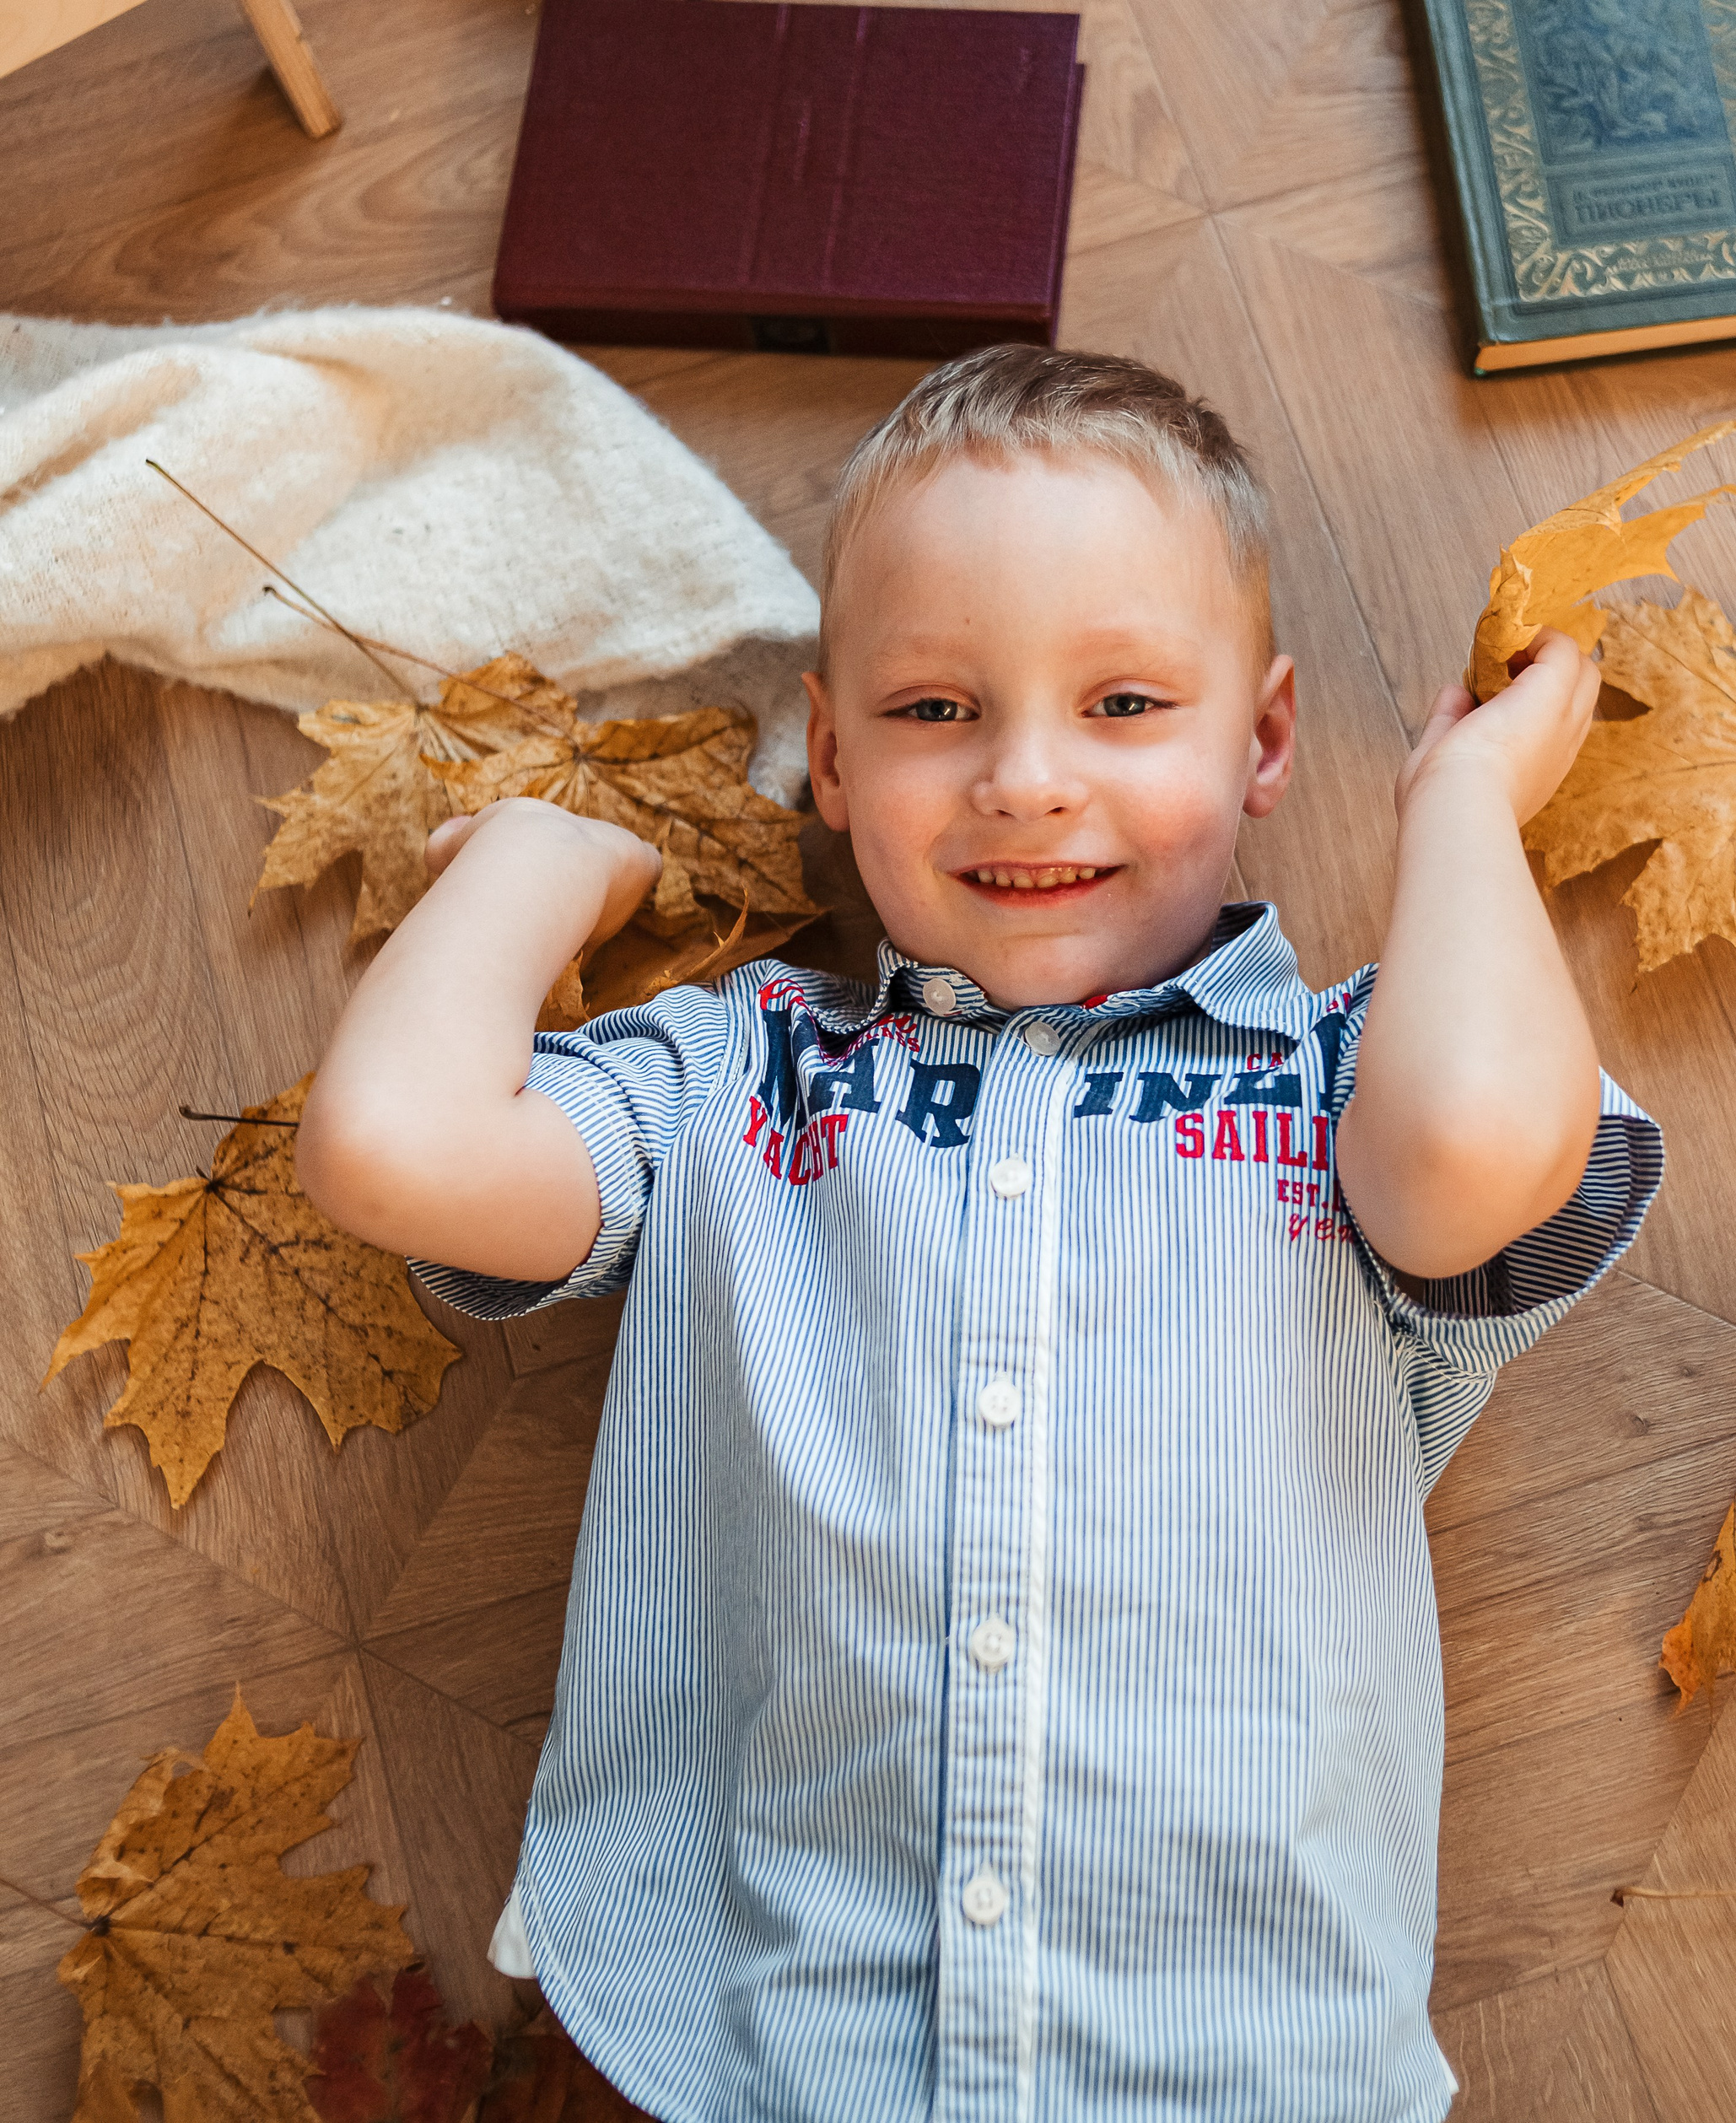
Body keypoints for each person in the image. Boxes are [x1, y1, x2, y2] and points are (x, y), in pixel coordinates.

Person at [297, 346, 1663, 2120]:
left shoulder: (1348, 1081)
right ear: (833, 757)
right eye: (936, 710)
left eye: (1121, 704)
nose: (1024, 777)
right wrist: (546, 863)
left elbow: (1481, 1142)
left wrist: (1464, 806)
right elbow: (392, 1147)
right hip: (764, 2038)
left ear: (1261, 738)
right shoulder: (738, 1075)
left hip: (1234, 2057)